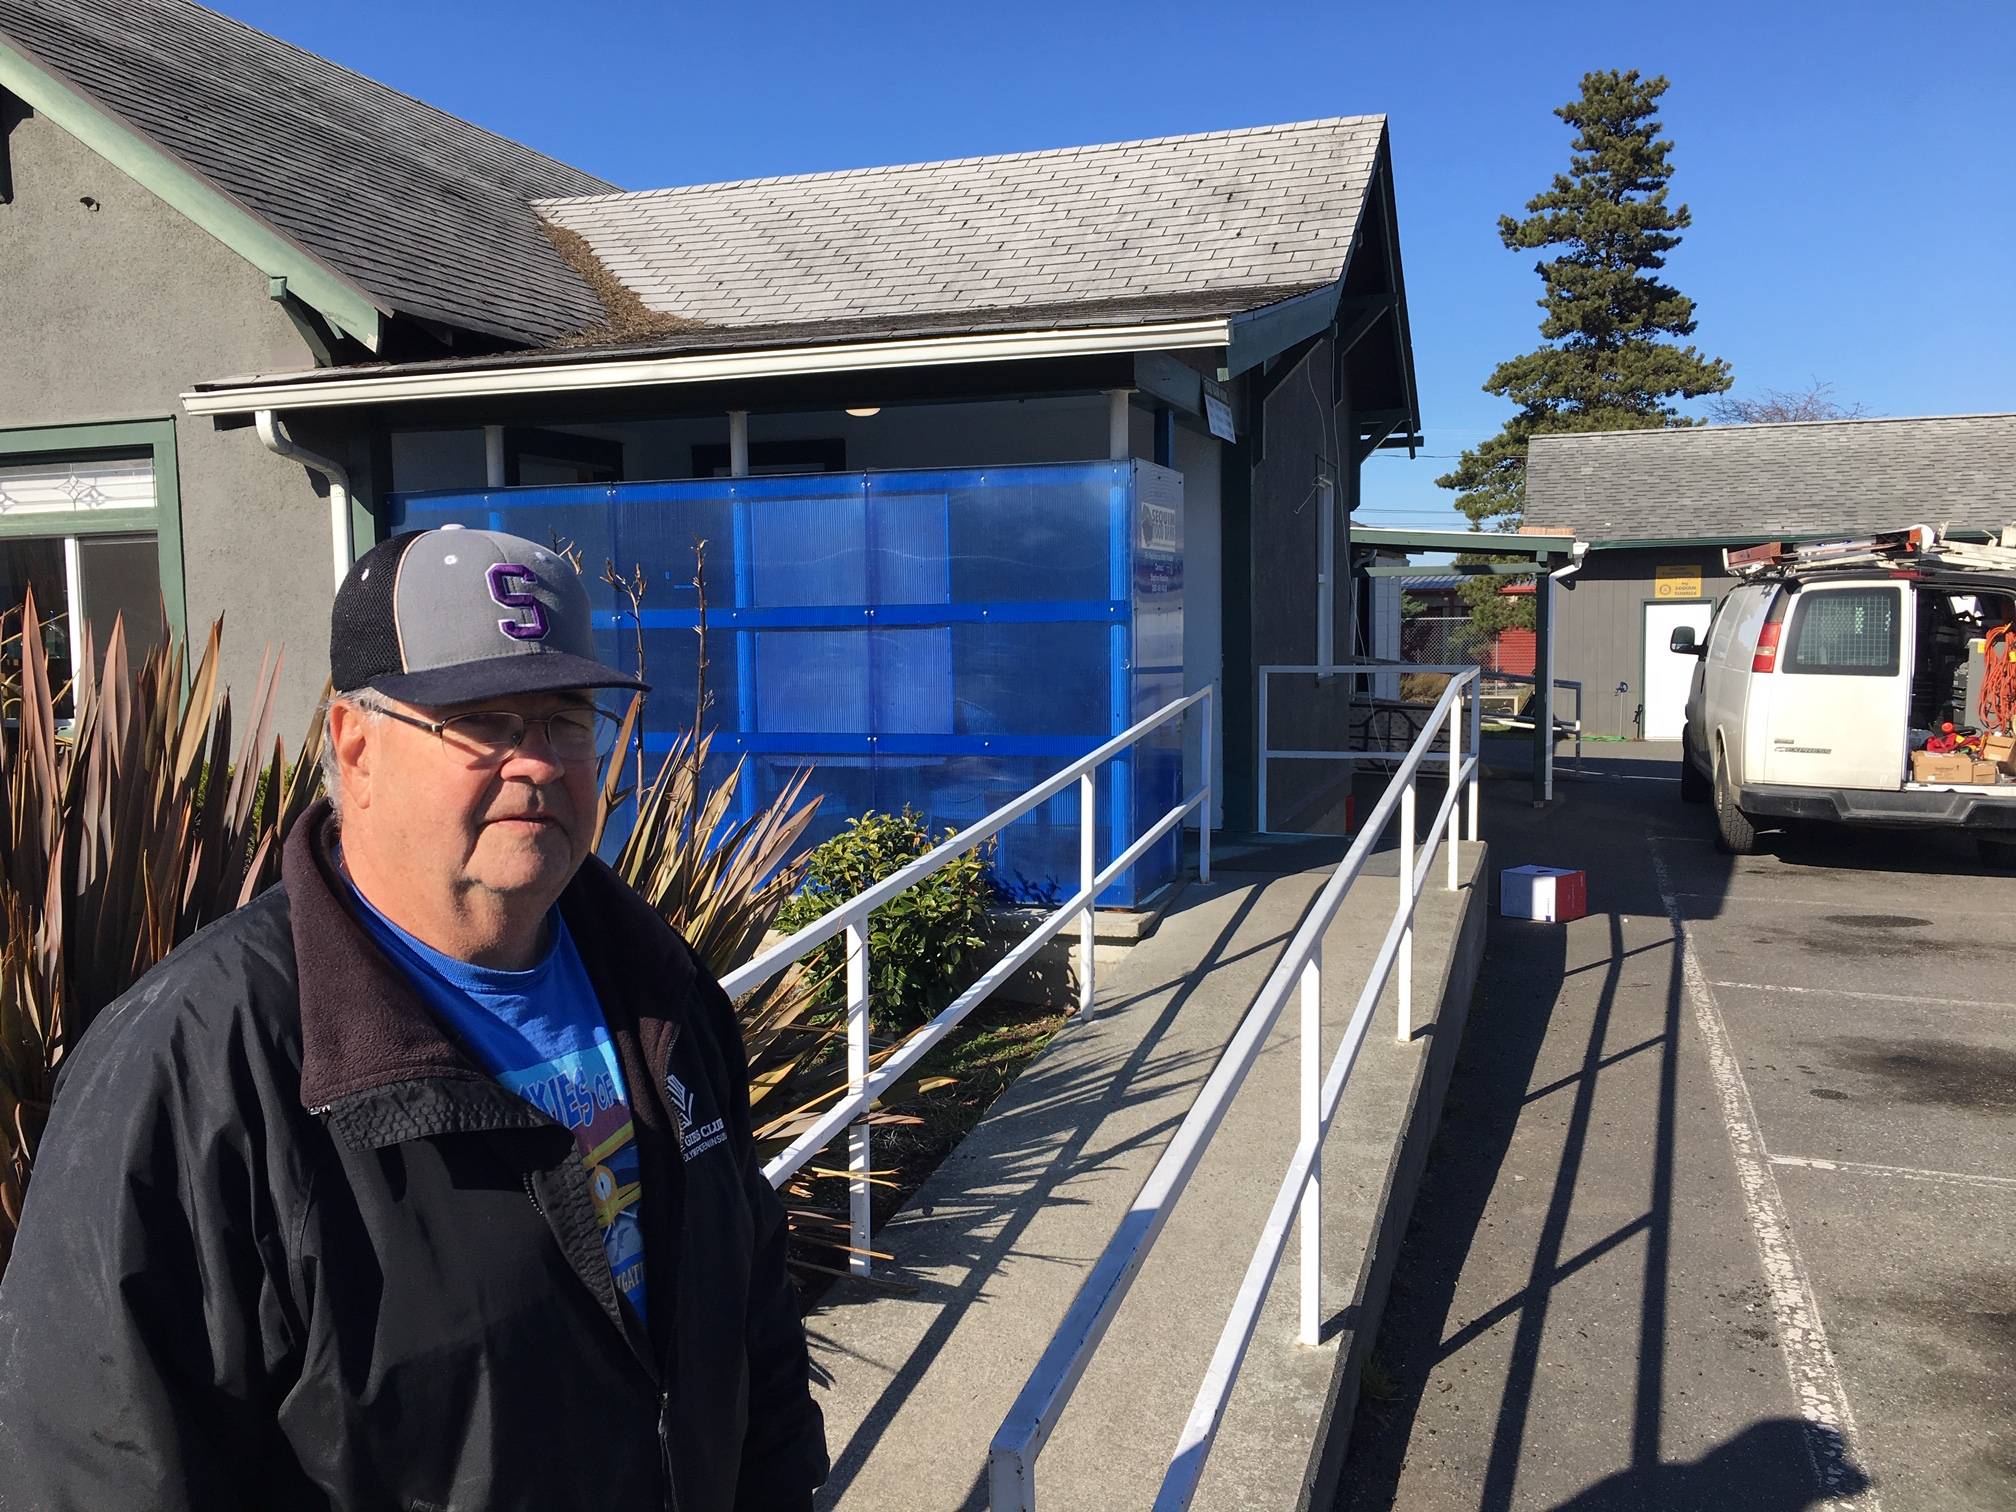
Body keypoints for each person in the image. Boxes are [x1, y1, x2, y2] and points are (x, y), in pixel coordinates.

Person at [0, 526, 828, 1511]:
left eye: (565, 718)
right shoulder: (197, 1069)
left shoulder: (661, 990)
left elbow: (754, 1326)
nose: (538, 763)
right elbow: (103, 1472)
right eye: (483, 721)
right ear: (355, 746)